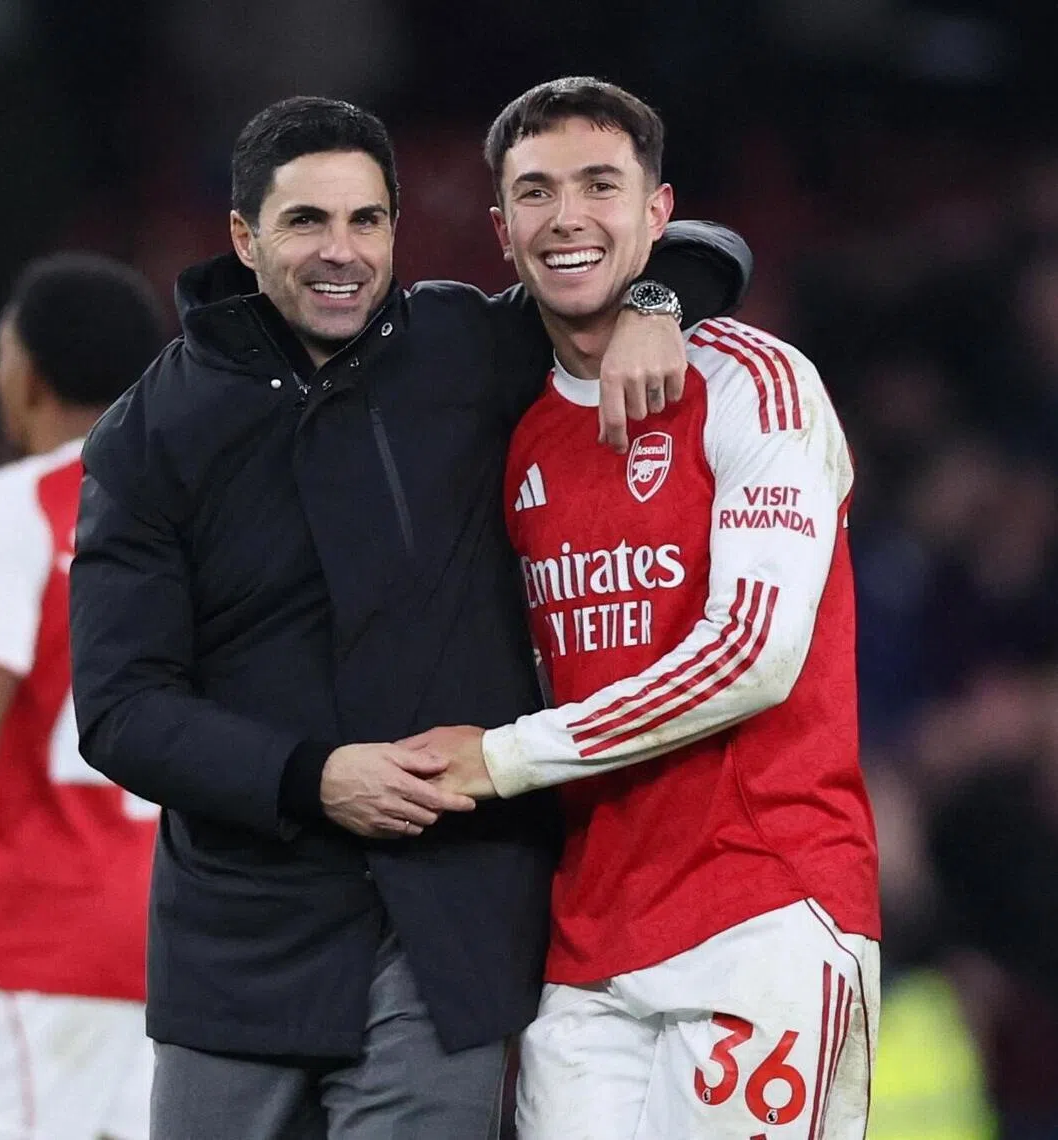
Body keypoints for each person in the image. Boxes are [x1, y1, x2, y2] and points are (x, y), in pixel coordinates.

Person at [68, 93, 752, 1140]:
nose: (341, 252)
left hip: (447, 926)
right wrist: (314, 777)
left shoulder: (465, 346)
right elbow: (121, 709)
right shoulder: (149, 434)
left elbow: (672, 249)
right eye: (306, 223)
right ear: (245, 238)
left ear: (397, 226)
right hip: (242, 940)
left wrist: (659, 303)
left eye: (367, 220)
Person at [412, 77, 881, 1139]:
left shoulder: (758, 380)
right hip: (585, 944)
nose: (566, 217)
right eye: (535, 192)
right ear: (500, 228)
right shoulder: (515, 431)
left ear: (658, 213)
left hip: (761, 907)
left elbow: (753, 653)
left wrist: (501, 758)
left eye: (599, 186)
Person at [0, 254, 166, 1140]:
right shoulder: (206, 521)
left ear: (23, 371)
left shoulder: (9, 505)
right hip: (181, 949)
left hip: (36, 938)